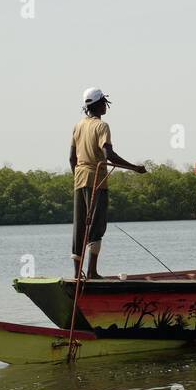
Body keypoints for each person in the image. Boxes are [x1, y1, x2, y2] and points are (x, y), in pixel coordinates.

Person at [71, 87, 146, 280]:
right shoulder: (101, 127)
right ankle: (92, 272)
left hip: (79, 179)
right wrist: (134, 168)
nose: (106, 105)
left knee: (80, 225)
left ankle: (76, 274)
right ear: (98, 105)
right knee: (96, 225)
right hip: (96, 179)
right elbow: (109, 155)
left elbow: (71, 158)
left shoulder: (78, 126)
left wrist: (78, 175)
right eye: (104, 102)